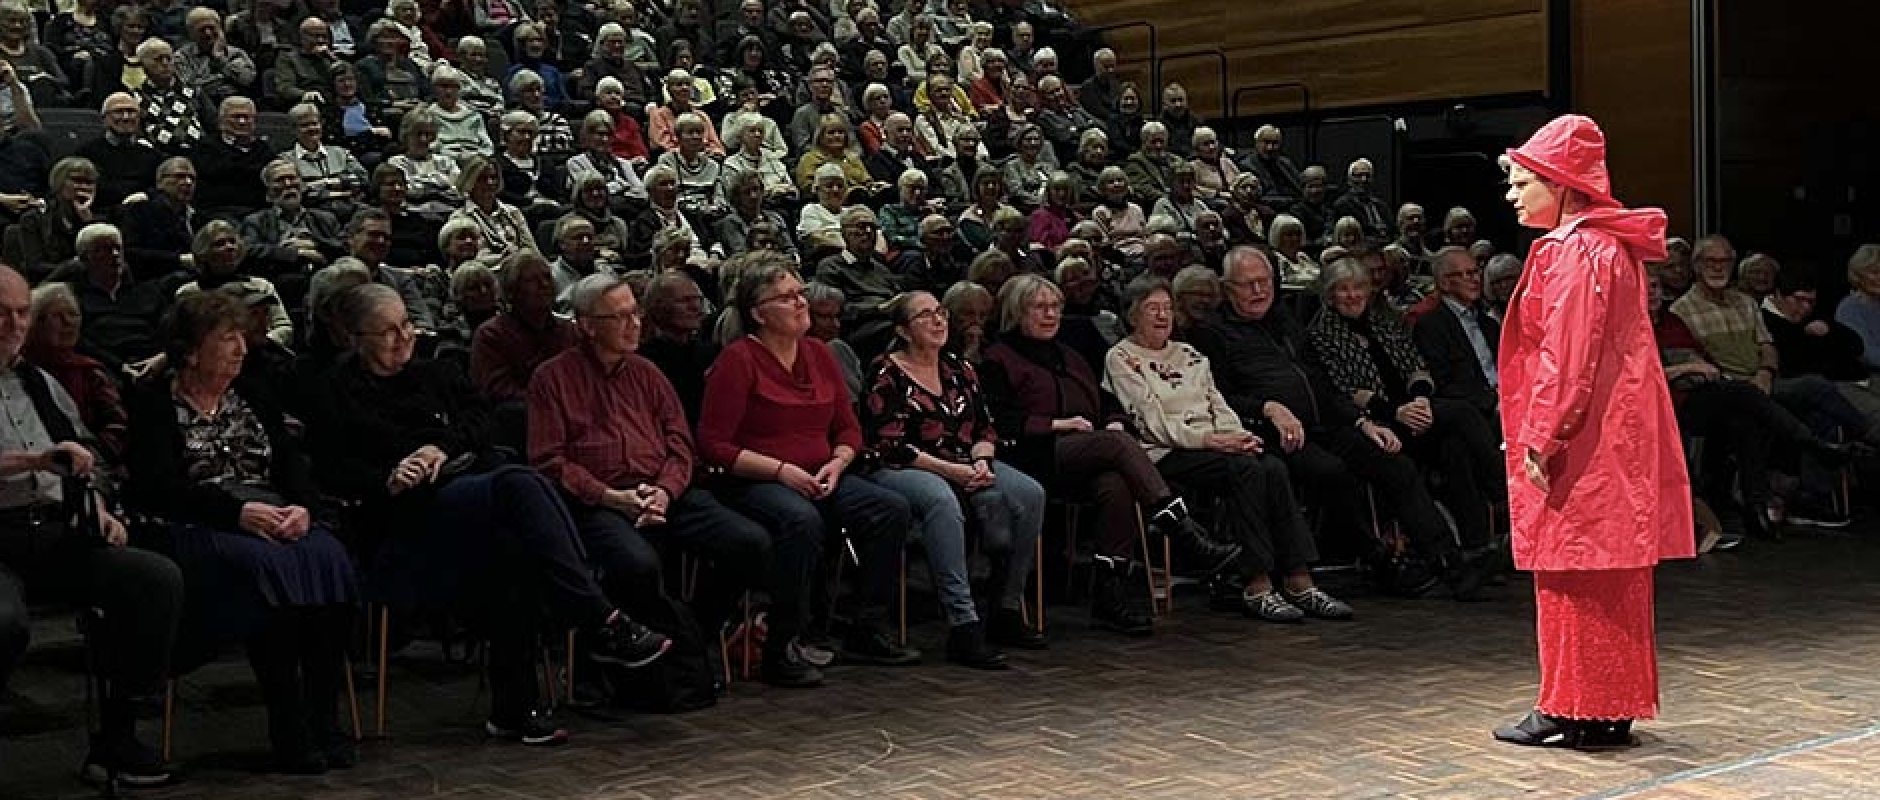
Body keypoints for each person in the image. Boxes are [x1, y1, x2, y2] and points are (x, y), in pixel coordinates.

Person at [305, 283, 670, 746]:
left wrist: (440, 446)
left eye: (407, 325)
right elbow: (331, 467)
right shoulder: (334, 390)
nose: (403, 338)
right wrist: (391, 475)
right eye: (387, 332)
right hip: (400, 517)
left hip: (466, 498)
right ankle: (600, 619)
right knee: (519, 484)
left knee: (515, 551)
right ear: (355, 338)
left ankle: (515, 709)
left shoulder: (435, 373)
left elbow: (482, 422)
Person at [1492, 115, 1693, 749]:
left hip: (1583, 438)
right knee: (1609, 573)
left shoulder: (1573, 249)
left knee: (1572, 570)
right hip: (1616, 436)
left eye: (1525, 182)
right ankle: (1606, 708)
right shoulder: (1610, 245)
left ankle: (1571, 706)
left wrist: (1541, 436)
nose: (1513, 194)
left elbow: (1566, 355)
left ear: (1563, 182)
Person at [125, 291, 358, 773]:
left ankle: (325, 719)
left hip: (274, 512)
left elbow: (292, 462)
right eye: (226, 339)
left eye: (241, 338)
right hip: (201, 520)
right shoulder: (154, 404)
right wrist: (235, 513)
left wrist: (303, 508)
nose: (240, 349)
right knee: (266, 572)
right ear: (190, 350)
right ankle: (289, 727)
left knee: (328, 557)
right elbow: (159, 489)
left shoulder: (252, 392)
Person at [695, 254, 919, 686]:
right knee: (799, 521)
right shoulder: (738, 360)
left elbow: (849, 428)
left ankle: (867, 626)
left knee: (889, 508)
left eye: (801, 294)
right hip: (756, 478)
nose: (800, 303)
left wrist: (837, 464)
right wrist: (781, 472)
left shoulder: (818, 353)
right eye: (786, 297)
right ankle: (783, 643)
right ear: (758, 313)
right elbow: (714, 444)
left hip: (822, 473)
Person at [0, 266, 183, 789]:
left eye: (21, 313)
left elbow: (87, 455)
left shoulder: (41, 382)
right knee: (3, 620)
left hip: (56, 529)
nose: (14, 324)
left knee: (153, 579)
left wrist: (99, 506)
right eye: (2, 313)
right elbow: (52, 457)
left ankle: (119, 736)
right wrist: (34, 461)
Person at [979, 274, 1239, 637]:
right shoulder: (998, 358)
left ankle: (1109, 593)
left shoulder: (1070, 354)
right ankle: (1181, 530)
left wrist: (1115, 422)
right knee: (1114, 448)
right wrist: (1056, 424)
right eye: (1040, 307)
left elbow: (1107, 402)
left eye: (1055, 307)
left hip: (1089, 451)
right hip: (1032, 455)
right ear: (1016, 311)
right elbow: (1001, 420)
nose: (1051, 314)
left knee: (1116, 483)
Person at [528, 273, 769, 653]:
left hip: (661, 490)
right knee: (637, 563)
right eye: (619, 317)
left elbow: (679, 443)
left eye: (635, 313)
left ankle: (695, 634)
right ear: (587, 326)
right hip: (597, 501)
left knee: (749, 542)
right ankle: (626, 649)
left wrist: (665, 491)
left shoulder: (647, 371)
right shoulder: (552, 378)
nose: (634, 324)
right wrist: (611, 497)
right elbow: (549, 461)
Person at [1105, 278, 1351, 623]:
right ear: (1132, 315)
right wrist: (1213, 441)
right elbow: (1151, 423)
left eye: (1167, 308)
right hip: (1163, 451)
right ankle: (1256, 584)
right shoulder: (1121, 358)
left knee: (1270, 464)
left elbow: (1217, 404)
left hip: (1216, 444)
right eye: (1152, 309)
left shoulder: (1190, 355)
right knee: (1246, 470)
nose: (1163, 316)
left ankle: (1299, 579)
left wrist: (1239, 436)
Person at [862, 291, 1048, 666]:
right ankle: (963, 624)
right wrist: (953, 472)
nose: (938, 321)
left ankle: (1007, 606)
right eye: (925, 316)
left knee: (1030, 493)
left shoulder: (959, 369)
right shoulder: (886, 371)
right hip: (905, 466)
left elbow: (985, 427)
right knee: (941, 501)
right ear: (903, 330)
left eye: (941, 313)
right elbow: (889, 443)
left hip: (965, 462)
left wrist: (982, 461)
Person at [1307, 257, 1506, 554]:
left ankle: (1477, 547)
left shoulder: (1383, 322)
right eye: (1343, 290)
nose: (1353, 296)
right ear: (1330, 295)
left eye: (1359, 287)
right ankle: (1501, 493)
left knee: (1456, 445)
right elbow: (1344, 390)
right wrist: (1395, 412)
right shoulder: (1321, 333)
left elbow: (1415, 365)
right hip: (1377, 418)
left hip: (1413, 406)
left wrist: (1421, 399)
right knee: (1462, 414)